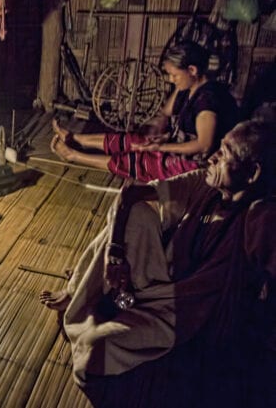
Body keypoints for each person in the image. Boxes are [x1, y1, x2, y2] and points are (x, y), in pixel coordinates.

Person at [40, 119, 276, 405]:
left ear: (253, 173)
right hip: (162, 279)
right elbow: (130, 193)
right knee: (136, 216)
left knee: (93, 350)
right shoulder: (204, 186)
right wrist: (115, 253)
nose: (213, 156)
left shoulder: (258, 217)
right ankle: (80, 290)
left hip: (180, 313)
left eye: (225, 153)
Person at [50, 41, 240, 182]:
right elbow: (166, 113)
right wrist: (161, 138)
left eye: (174, 75)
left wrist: (160, 148)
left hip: (196, 166)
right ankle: (75, 139)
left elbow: (204, 146)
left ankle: (73, 155)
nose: (171, 79)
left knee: (140, 160)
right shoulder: (188, 88)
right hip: (177, 147)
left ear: (192, 70)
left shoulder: (208, 101)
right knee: (133, 141)